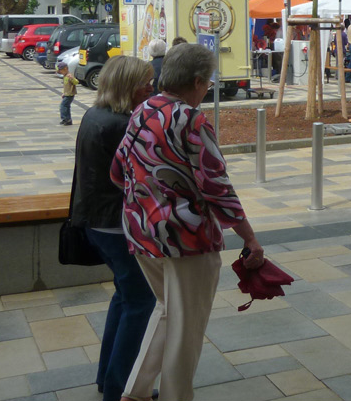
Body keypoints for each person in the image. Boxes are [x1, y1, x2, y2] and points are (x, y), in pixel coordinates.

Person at [111, 43, 264, 401]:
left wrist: (149, 198)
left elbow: (118, 171)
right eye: (207, 82)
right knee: (187, 327)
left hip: (141, 231)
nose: (208, 88)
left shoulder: (143, 108)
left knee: (167, 312)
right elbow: (217, 187)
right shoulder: (192, 120)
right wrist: (250, 239)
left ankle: (133, 393)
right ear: (196, 81)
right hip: (186, 239)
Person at [71, 56, 156, 401]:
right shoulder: (123, 125)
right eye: (146, 83)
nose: (152, 88)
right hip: (116, 226)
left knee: (125, 297)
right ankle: (122, 389)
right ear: (128, 87)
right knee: (140, 301)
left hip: (97, 221)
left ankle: (109, 380)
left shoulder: (95, 114)